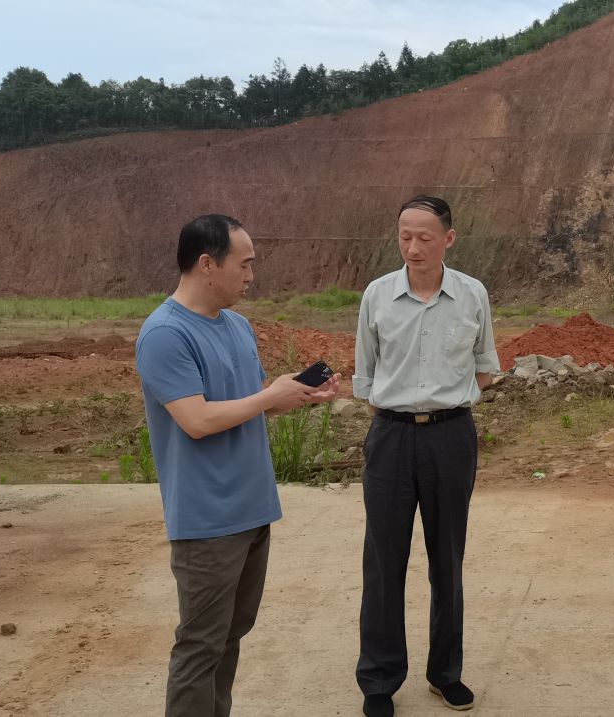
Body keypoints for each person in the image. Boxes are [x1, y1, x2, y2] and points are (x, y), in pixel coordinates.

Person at [136, 214, 341, 717]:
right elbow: (197, 420)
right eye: (244, 264)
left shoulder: (237, 326)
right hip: (208, 520)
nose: (251, 275)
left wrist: (291, 395)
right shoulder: (165, 334)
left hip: (252, 509)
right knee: (201, 644)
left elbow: (245, 403)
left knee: (229, 636)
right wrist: (268, 396)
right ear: (208, 264)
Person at [352, 195, 499, 717]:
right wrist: (400, 408)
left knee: (447, 557)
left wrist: (445, 402)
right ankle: (379, 680)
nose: (412, 247)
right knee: (383, 560)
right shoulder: (377, 295)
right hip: (390, 437)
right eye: (404, 237)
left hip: (451, 437)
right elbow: (366, 375)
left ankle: (445, 674)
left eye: (424, 237)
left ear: (448, 240)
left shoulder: (472, 294)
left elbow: (485, 367)